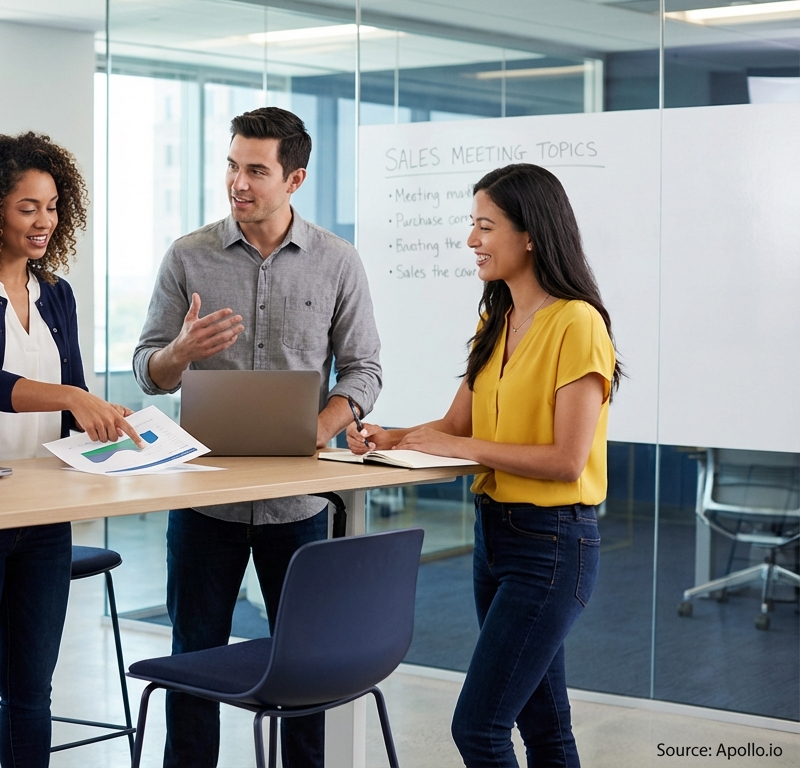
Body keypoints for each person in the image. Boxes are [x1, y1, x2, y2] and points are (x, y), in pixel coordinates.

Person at [133, 107, 382, 768]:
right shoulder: (189, 255)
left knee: (306, 675)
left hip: (299, 509)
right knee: (193, 667)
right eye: (231, 165)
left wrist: (315, 432)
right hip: (204, 504)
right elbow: (149, 372)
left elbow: (364, 369)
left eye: (256, 170)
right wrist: (179, 352)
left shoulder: (337, 261)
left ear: (294, 178)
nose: (237, 183)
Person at [348, 164, 619, 768]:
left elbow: (566, 460)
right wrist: (389, 435)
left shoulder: (577, 323)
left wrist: (460, 449)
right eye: (472, 224)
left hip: (552, 546)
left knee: (479, 727)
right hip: (494, 537)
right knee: (546, 728)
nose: (472, 240)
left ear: (530, 234)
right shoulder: (495, 319)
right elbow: (455, 429)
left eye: (485, 225)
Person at [0, 132, 140, 767]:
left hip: (43, 517)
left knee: (30, 695)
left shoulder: (57, 294)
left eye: (52, 206)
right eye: (27, 207)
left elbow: (77, 402)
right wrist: (74, 398)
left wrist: (112, 426)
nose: (45, 221)